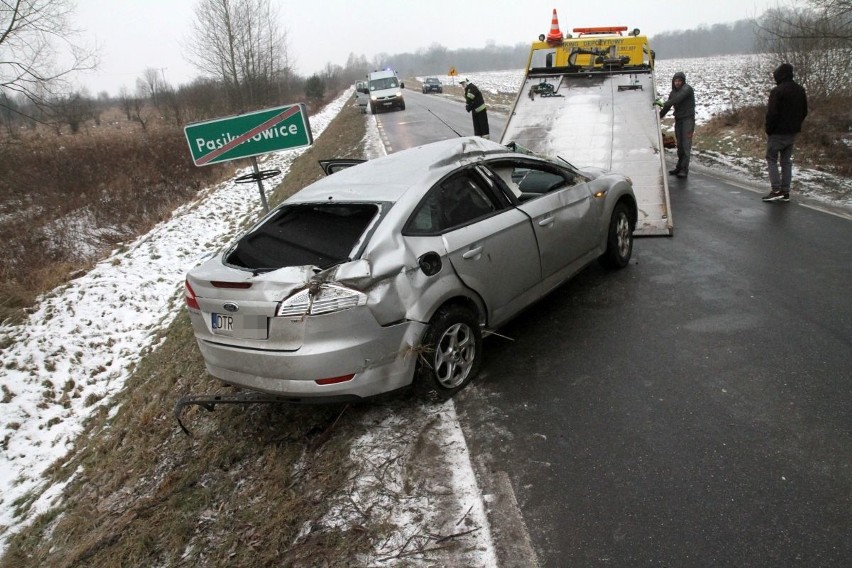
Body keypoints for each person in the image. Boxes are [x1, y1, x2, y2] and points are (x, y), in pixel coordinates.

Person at [763, 63, 808, 202]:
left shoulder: (777, 91)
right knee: (786, 161)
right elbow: (804, 111)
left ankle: (776, 190)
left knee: (771, 159)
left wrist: (769, 129)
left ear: (780, 76)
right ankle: (785, 191)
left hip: (777, 132)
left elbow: (772, 114)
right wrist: (796, 125)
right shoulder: (800, 90)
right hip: (792, 132)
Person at [658, 72, 695, 178]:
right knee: (679, 146)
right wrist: (658, 116)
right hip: (679, 120)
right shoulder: (673, 92)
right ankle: (679, 167)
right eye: (676, 81)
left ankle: (684, 169)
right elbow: (667, 107)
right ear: (673, 82)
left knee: (685, 145)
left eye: (679, 81)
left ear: (683, 81)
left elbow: (676, 100)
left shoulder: (687, 89)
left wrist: (662, 103)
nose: (677, 83)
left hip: (688, 120)